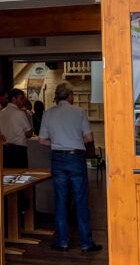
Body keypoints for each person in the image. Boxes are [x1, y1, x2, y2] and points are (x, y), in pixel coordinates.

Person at [39, 82, 101, 253]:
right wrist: (74, 141)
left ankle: (62, 242)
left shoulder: (48, 113)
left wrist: (58, 143)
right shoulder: (79, 112)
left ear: (57, 97)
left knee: (61, 201)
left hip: (58, 158)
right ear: (70, 96)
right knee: (81, 200)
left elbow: (42, 140)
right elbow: (88, 138)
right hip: (75, 158)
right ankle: (86, 243)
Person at [0, 88, 32, 168]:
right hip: (18, 150)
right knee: (20, 176)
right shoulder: (20, 113)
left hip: (5, 150)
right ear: (13, 99)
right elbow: (29, 133)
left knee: (8, 175)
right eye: (21, 98)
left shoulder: (1, 113)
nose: (23, 101)